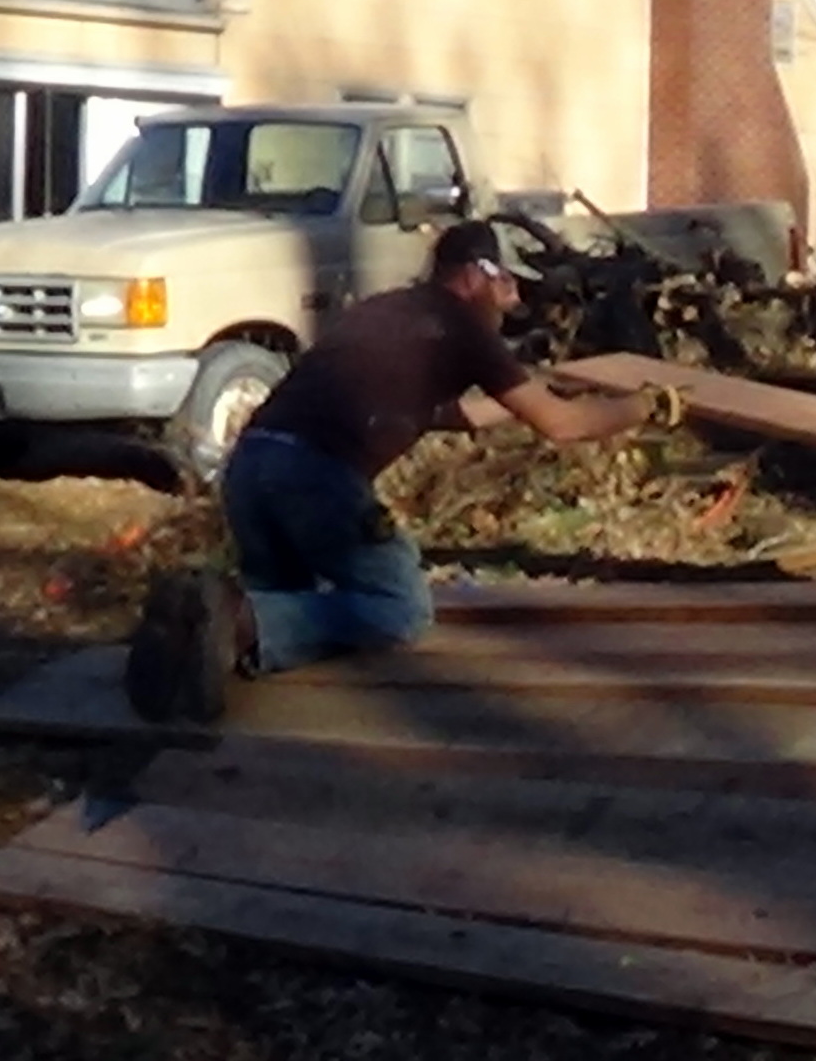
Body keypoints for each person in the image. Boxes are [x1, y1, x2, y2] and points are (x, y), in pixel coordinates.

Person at [124, 219, 665, 721]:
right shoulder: (464, 326)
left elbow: (456, 414)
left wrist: (539, 387)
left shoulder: (385, 311)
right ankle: (239, 619)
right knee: (398, 607)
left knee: (288, 606)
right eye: (505, 283)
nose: (512, 299)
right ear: (474, 275)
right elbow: (562, 427)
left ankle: (199, 642)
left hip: (250, 469)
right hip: (313, 477)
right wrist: (647, 405)